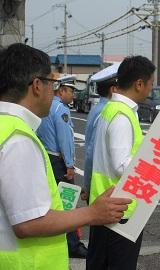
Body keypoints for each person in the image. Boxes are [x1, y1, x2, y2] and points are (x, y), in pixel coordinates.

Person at [0, 43, 132, 270]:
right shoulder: (18, 139)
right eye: (53, 83)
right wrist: (92, 213)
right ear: (37, 85)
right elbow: (28, 222)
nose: (55, 91)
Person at [86, 56, 155, 270]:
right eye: (150, 83)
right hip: (120, 210)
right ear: (139, 84)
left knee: (100, 263)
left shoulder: (112, 109)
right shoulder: (122, 116)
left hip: (106, 204)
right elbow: (121, 165)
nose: (151, 89)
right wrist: (157, 170)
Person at [36, 74, 87, 258]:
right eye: (71, 91)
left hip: (47, 157)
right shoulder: (62, 110)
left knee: (53, 202)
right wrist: (70, 165)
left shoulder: (46, 107)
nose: (73, 95)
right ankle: (72, 244)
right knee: (68, 203)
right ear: (62, 90)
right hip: (59, 161)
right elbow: (65, 139)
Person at [83, 63, 120, 202]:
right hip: (103, 188)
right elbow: (91, 153)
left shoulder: (98, 108)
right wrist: (87, 185)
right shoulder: (107, 111)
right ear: (113, 89)